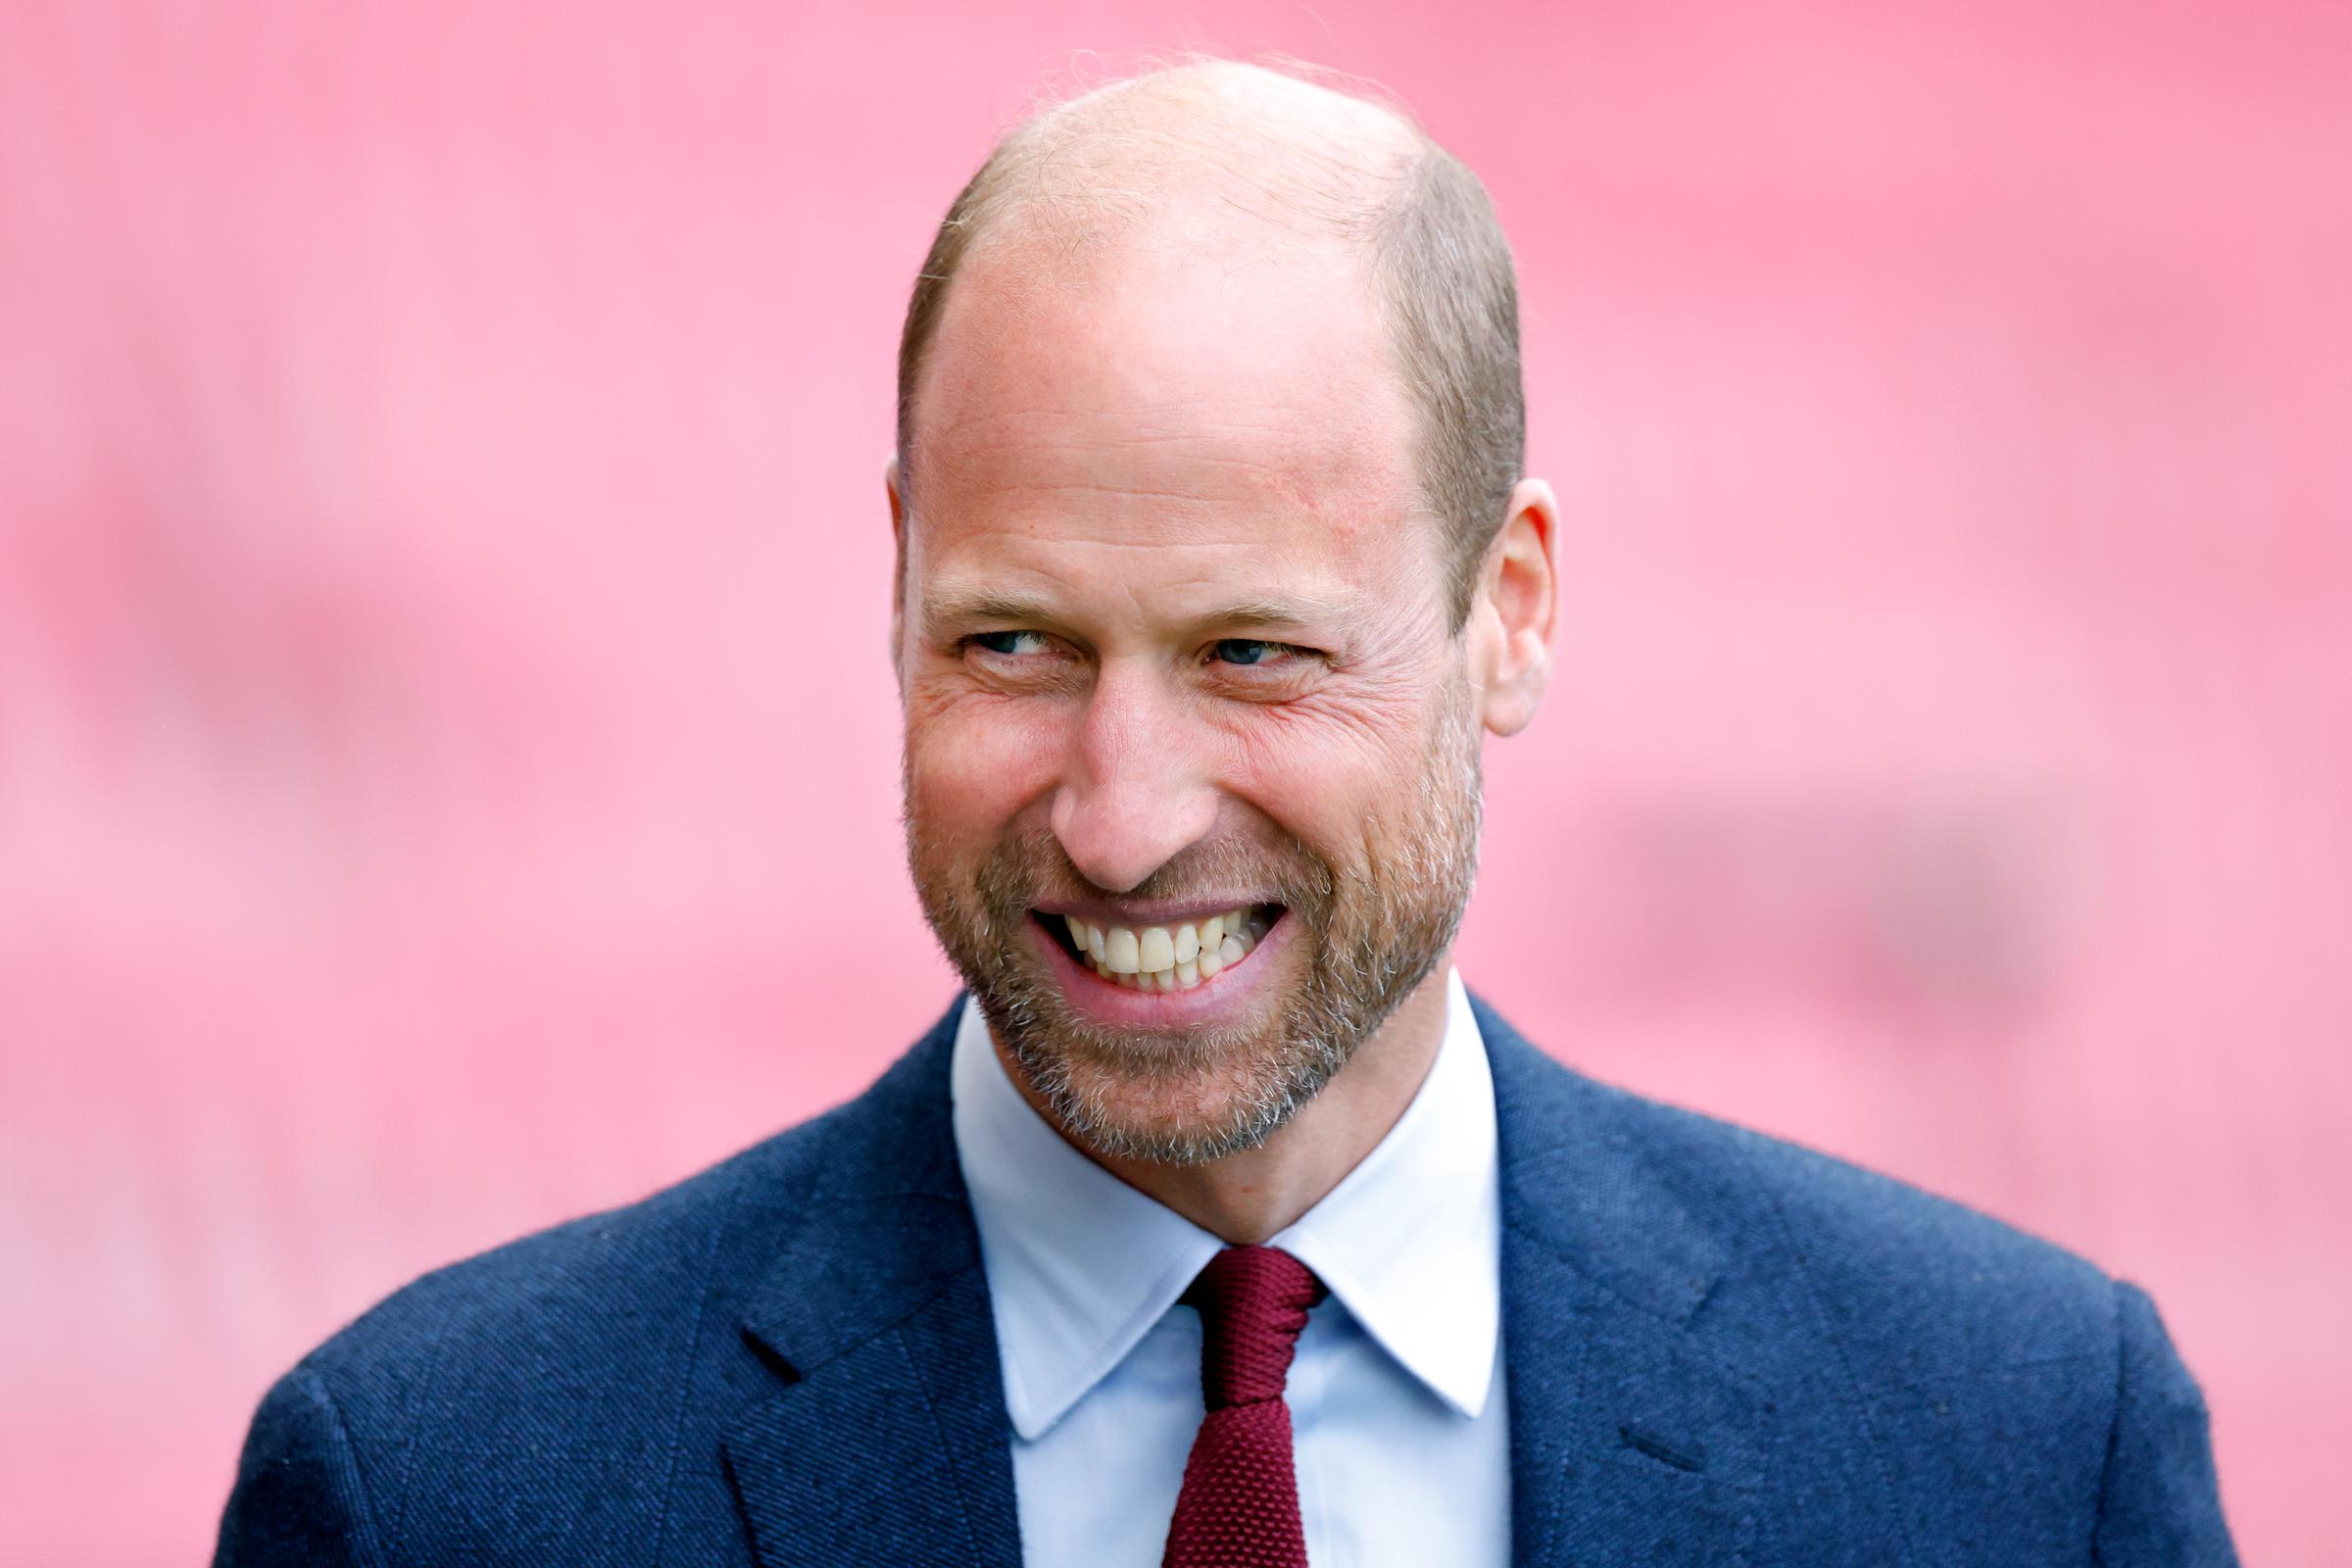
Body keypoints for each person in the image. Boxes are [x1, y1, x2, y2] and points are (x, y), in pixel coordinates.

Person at [215, 58, 2236, 1567]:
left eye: (1254, 652)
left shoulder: (2016, 1451)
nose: (1119, 814)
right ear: (897, 582)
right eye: (1013, 644)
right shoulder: (442, 1492)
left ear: (1506, 610)